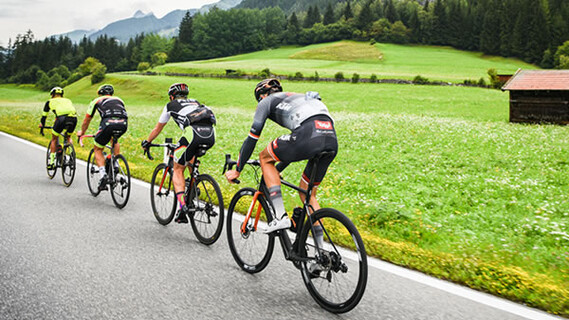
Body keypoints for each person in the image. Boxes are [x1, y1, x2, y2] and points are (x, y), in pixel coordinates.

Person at [224, 79, 338, 236]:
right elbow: (291, 150)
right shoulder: (297, 97)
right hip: (330, 138)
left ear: (261, 96)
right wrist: (276, 170)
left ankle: (280, 216)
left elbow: (252, 138)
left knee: (264, 157)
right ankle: (322, 254)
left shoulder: (266, 102)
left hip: (307, 134)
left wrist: (238, 169)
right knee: (308, 194)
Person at [141, 83, 216, 224]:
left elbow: (158, 128)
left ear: (171, 96)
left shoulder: (171, 105)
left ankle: (182, 208)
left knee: (178, 168)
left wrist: (148, 141)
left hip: (192, 134)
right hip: (211, 134)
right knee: (190, 157)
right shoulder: (196, 102)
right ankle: (194, 185)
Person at [77, 84, 128, 191]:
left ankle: (103, 175)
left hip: (108, 123)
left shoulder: (96, 100)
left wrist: (82, 132)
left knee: (98, 148)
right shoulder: (119, 99)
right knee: (114, 140)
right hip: (123, 124)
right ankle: (115, 163)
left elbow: (87, 120)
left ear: (100, 93)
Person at [40, 87, 78, 168]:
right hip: (73, 119)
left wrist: (42, 126)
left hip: (61, 119)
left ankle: (52, 163)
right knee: (68, 136)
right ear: (62, 95)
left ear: (52, 95)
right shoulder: (68, 100)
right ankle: (72, 157)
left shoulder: (49, 102)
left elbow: (44, 117)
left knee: (54, 138)